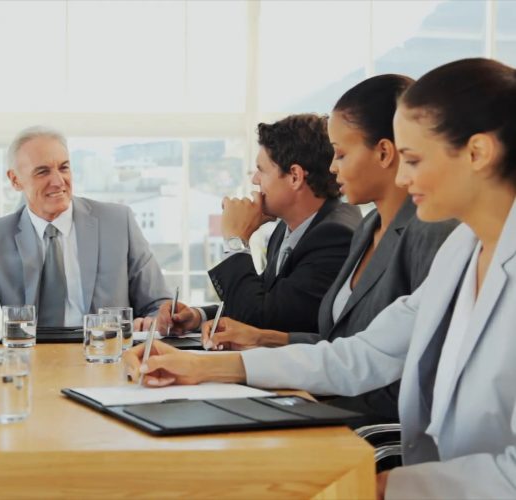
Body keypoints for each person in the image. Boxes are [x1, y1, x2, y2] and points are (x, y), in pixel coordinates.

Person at [124, 58, 516, 498]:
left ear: (478, 153)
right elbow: (359, 355)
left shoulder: (440, 242)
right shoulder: (463, 253)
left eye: (412, 159)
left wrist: (386, 486)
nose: (402, 177)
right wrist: (199, 366)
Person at [199, 75, 458, 422]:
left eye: (340, 154)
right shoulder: (368, 227)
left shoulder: (427, 233)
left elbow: (395, 366)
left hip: (367, 421)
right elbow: (345, 343)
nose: (332, 167)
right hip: (333, 398)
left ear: (384, 152)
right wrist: (263, 338)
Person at [0, 126, 170, 331]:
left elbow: (158, 302)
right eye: (42, 172)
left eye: (64, 167)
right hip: (29, 362)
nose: (58, 181)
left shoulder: (117, 222)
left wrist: (155, 320)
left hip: (106, 359)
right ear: (15, 180)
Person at [147, 114, 362, 335]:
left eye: (262, 170)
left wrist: (235, 240)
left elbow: (262, 320)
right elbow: (264, 301)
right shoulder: (288, 228)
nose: (255, 180)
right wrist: (197, 317)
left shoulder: (334, 236)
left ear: (295, 177)